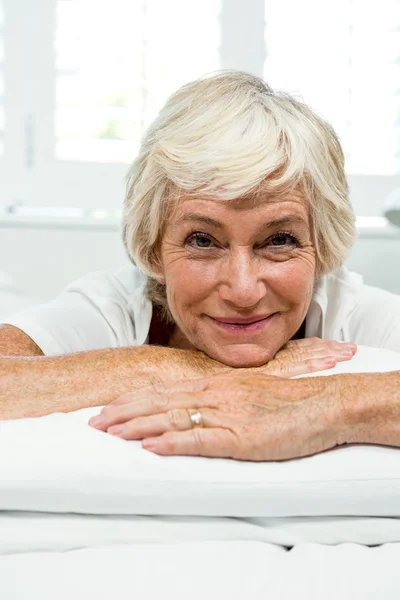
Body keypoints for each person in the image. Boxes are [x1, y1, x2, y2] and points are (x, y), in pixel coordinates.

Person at [1, 71, 399, 461]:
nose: (243, 290)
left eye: (279, 240)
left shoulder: (357, 313)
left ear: (322, 246)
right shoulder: (112, 307)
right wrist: (176, 367)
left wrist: (313, 403)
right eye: (202, 241)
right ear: (154, 248)